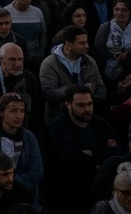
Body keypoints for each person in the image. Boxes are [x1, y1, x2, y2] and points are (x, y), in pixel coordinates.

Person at [48, 84, 121, 214]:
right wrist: (104, 150)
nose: (87, 109)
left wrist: (91, 152)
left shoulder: (100, 124)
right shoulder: (59, 126)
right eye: (81, 105)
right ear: (68, 105)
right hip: (70, 190)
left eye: (89, 104)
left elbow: (118, 152)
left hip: (101, 187)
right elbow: (74, 159)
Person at [0, 92, 44, 199]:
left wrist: (15, 185)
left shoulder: (29, 137)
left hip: (25, 193)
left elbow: (37, 172)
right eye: (13, 111)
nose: (19, 116)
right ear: (2, 112)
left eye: (22, 111)